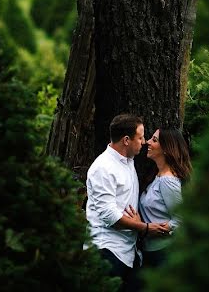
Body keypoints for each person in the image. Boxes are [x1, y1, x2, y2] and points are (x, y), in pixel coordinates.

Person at [86, 114, 169, 291]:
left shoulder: (128, 160)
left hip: (128, 253)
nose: (145, 141)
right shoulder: (103, 168)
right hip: (106, 251)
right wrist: (145, 228)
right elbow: (110, 217)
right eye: (140, 137)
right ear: (126, 140)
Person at [134, 128, 192, 270]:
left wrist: (149, 229)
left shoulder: (167, 181)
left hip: (164, 253)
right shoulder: (157, 176)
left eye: (154, 140)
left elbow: (181, 220)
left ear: (166, 149)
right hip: (151, 252)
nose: (147, 142)